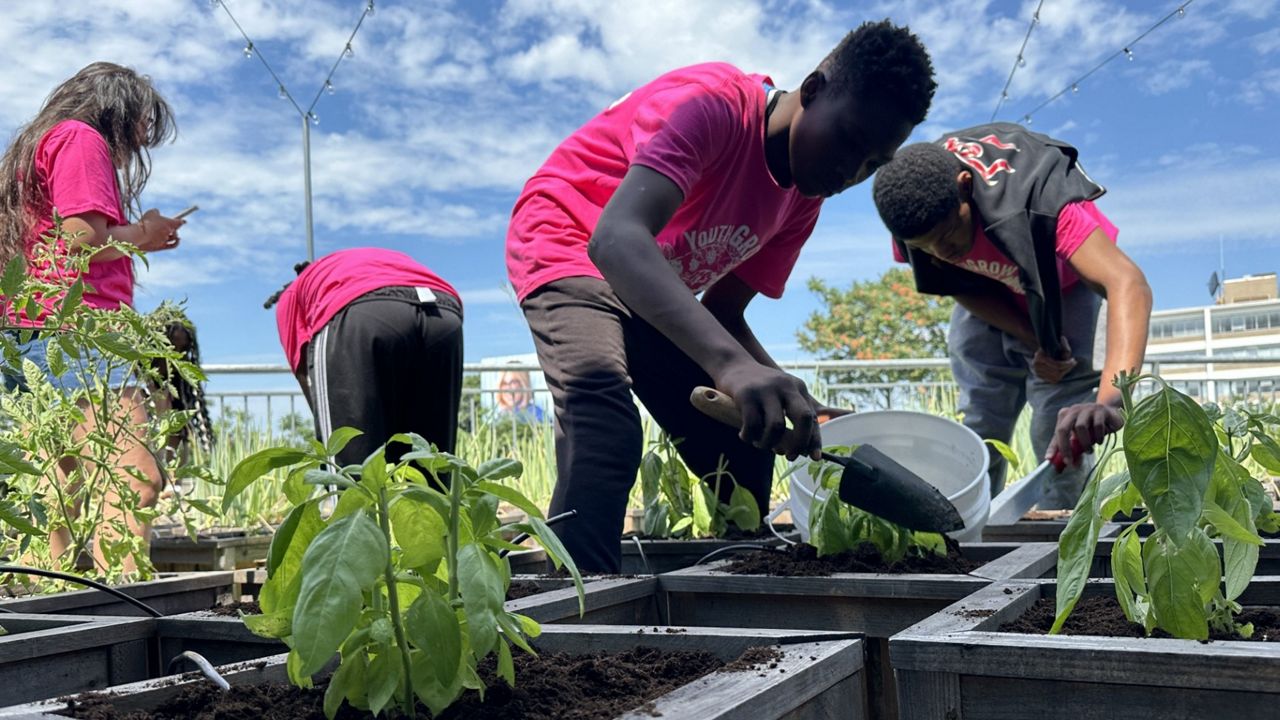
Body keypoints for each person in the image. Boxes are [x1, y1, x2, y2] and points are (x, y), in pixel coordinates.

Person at [506, 20, 937, 572]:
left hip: (643, 276)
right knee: (604, 424)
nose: (850, 172)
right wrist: (730, 365)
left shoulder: (802, 196)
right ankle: (575, 615)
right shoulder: (712, 106)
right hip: (571, 237)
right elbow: (614, 239)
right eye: (851, 141)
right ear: (812, 90)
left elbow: (724, 311)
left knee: (745, 435)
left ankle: (741, 580)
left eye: (872, 165)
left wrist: (790, 392)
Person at [872, 123, 1152, 508]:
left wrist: (1107, 405)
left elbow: (1128, 284)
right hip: (992, 292)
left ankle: (1061, 532)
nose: (943, 253)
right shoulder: (913, 212)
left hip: (1066, 288)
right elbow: (957, 284)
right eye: (926, 248)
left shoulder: (1042, 201)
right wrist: (1034, 337)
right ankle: (966, 524)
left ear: (965, 187)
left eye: (951, 233)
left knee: (1059, 427)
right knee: (981, 424)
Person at [0, 61, 183, 573]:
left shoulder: (39, 145)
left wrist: (139, 237)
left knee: (55, 488)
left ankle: (56, 616)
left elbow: (51, 245)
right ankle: (121, 613)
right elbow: (81, 244)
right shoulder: (82, 139)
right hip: (79, 325)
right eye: (140, 124)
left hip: (29, 324)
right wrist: (142, 234)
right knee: (134, 476)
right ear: (115, 110)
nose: (140, 140)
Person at [265, 248, 463, 468]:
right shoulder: (361, 262)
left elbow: (304, 372)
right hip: (443, 311)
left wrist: (334, 419)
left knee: (353, 475)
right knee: (431, 468)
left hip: (360, 306)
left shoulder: (291, 295)